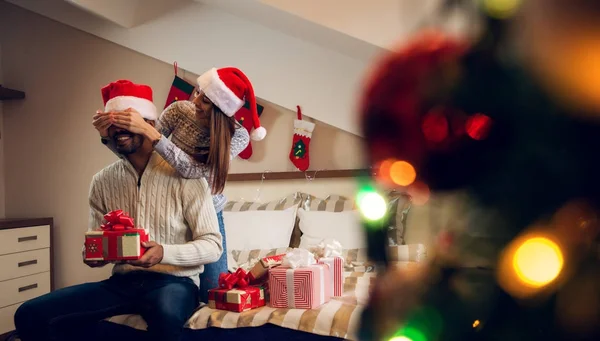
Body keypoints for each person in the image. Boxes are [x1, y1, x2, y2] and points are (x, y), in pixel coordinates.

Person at [14, 80, 223, 341]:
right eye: (111, 124)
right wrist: (93, 254)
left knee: (165, 314)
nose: (118, 130)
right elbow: (92, 243)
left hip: (175, 283)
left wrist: (163, 253)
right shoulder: (102, 181)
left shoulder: (187, 176)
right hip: (121, 283)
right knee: (29, 313)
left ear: (150, 125)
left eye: (126, 121)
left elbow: (213, 246)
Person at [92, 67, 263, 302]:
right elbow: (144, 154)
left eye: (205, 100)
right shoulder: (179, 110)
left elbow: (197, 173)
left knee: (213, 293)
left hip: (208, 211)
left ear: (220, 109)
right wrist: (108, 137)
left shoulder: (239, 137)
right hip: (177, 206)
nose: (196, 101)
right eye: (199, 93)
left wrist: (152, 134)